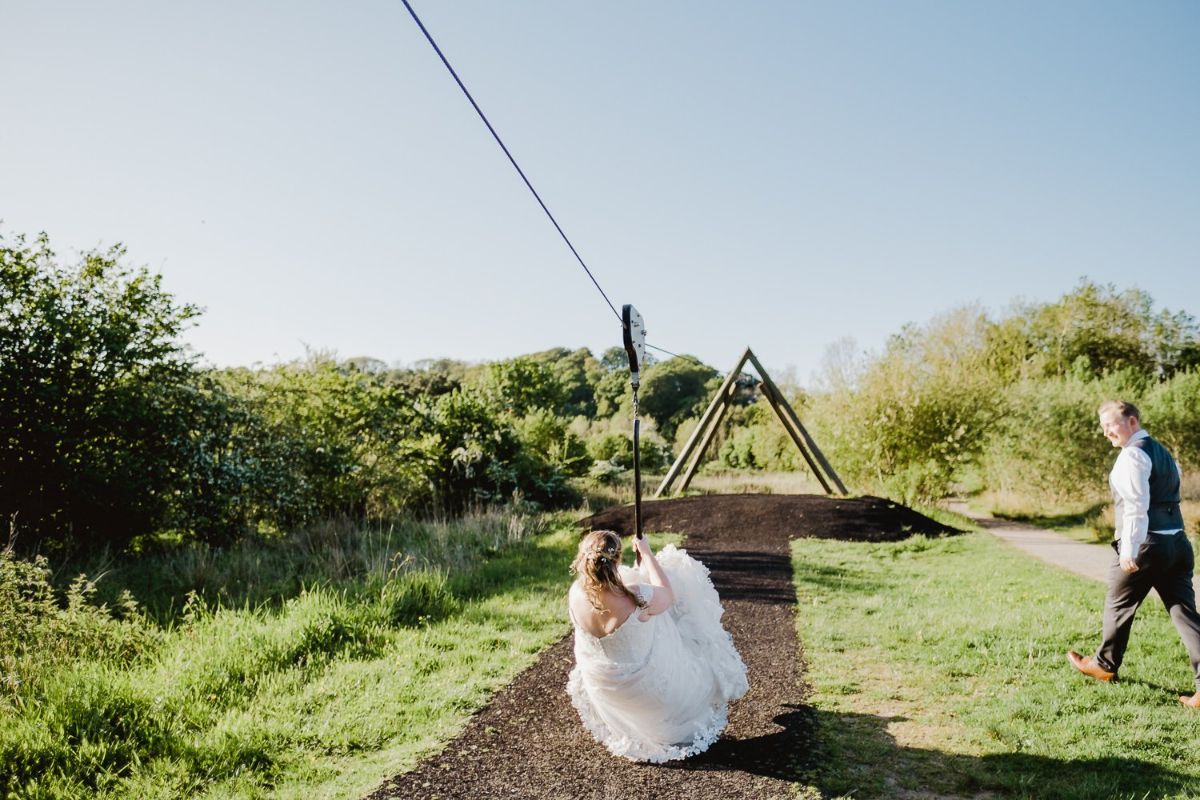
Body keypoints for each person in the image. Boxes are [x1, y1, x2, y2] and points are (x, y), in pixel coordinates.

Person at [566, 529, 749, 762]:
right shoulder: (635, 596)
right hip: (650, 692)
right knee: (663, 606)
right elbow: (667, 594)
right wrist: (647, 555)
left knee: (644, 618)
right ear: (617, 559)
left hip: (608, 690)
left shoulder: (575, 594)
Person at [1067, 400, 1200, 708]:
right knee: (1184, 614)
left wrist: (1129, 549)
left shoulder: (1132, 456)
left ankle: (1103, 665)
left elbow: (1137, 507)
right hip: (1178, 543)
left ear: (1132, 421)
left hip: (1146, 545)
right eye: (1103, 427)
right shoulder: (1164, 453)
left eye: (1111, 424)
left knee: (1118, 605)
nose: (1106, 432)